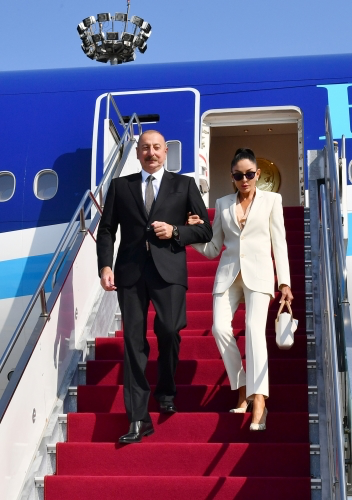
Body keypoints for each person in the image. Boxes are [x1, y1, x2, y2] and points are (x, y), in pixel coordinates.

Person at [96, 130, 212, 444]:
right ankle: (138, 418)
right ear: (138, 153)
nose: (151, 153)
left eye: (157, 147)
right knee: (133, 342)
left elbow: (205, 231)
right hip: (130, 273)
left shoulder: (183, 185)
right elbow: (106, 230)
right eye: (145, 148)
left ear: (166, 152)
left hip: (169, 271)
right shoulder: (121, 186)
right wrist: (105, 266)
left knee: (170, 330)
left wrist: (175, 231)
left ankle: (166, 390)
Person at [188, 148, 293, 431]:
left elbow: (279, 242)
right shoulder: (223, 204)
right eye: (238, 176)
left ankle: (259, 400)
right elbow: (213, 248)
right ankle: (243, 384)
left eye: (249, 174)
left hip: (259, 273)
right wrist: (191, 234)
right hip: (228, 274)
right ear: (232, 177)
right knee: (219, 328)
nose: (244, 180)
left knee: (254, 330)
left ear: (257, 174)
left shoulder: (272, 200)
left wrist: (284, 282)